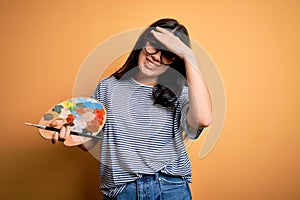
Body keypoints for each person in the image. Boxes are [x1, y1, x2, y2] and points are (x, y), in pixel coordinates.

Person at [51, 18, 212, 200]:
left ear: (175, 60)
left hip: (169, 188)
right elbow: (89, 143)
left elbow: (203, 119)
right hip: (122, 192)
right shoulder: (107, 88)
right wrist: (71, 134)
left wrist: (188, 54)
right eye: (154, 46)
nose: (156, 57)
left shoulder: (180, 93)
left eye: (168, 54)